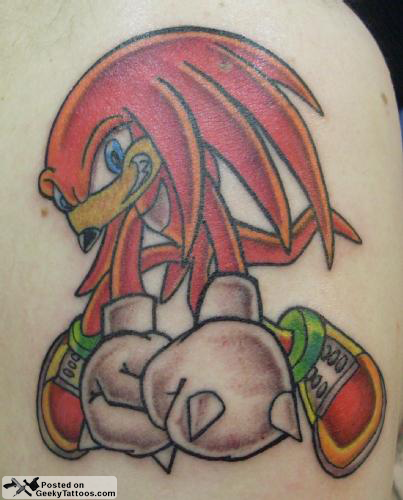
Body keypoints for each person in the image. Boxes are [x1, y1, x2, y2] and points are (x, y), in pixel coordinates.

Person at [0, 2, 402, 499]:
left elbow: (28, 491)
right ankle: (93, 346)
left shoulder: (311, 40)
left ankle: (299, 349)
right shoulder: (329, 43)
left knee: (224, 321)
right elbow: (32, 491)